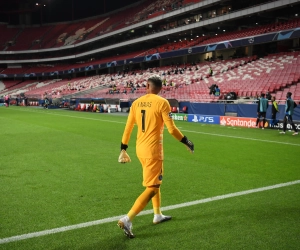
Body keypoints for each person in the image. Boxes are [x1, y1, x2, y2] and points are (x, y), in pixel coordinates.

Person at [117, 76, 194, 238]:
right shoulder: (162, 102)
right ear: (160, 88)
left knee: (155, 183)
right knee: (152, 188)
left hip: (140, 149)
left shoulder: (136, 103)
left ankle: (157, 215)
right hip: (153, 151)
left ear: (147, 86)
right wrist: (186, 141)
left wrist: (123, 148)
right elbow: (172, 129)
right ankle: (128, 218)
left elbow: (128, 127)